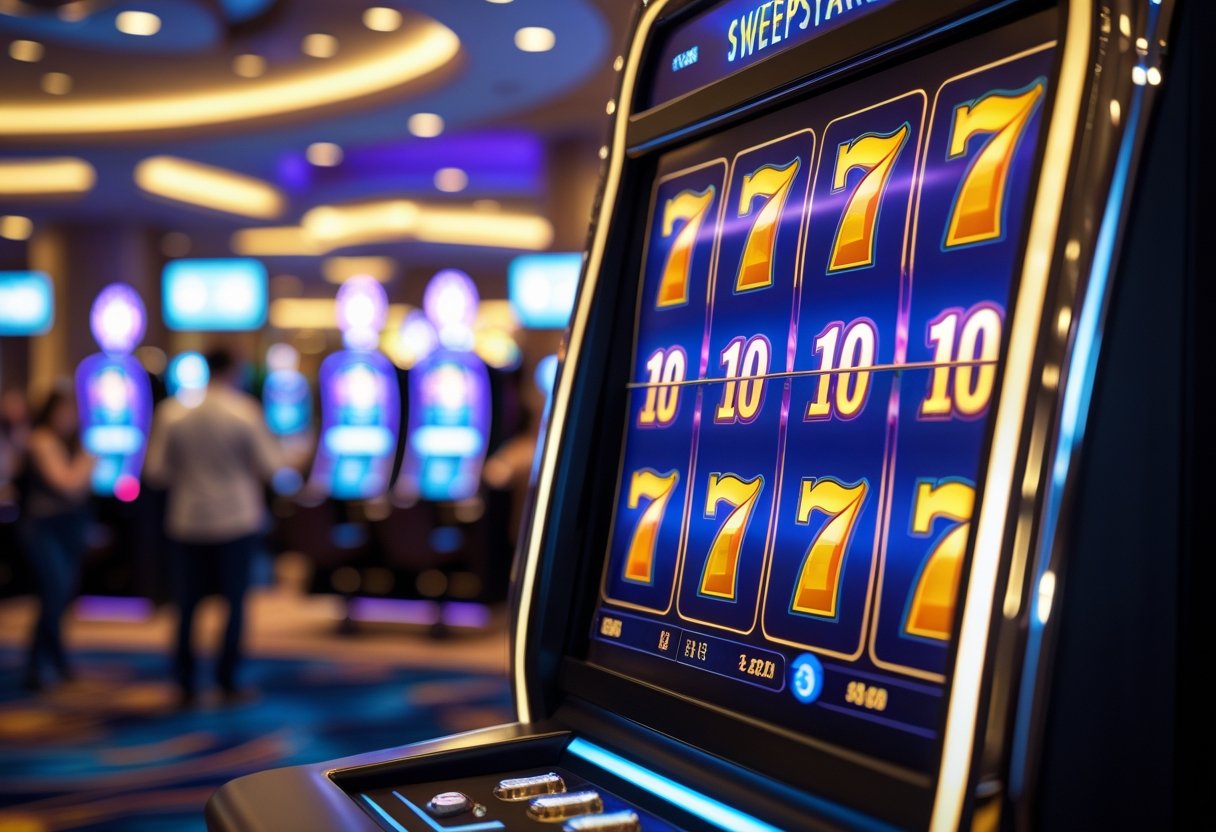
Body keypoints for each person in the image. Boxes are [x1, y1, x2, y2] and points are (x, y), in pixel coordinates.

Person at [145, 349, 281, 705]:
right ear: (234, 369)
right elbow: (272, 467)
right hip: (236, 519)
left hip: (187, 519)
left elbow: (155, 471)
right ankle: (227, 680)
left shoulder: (172, 412)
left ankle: (185, 682)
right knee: (234, 604)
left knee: (187, 606)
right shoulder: (244, 411)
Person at [19, 385, 94, 691]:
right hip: (44, 527)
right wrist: (88, 463)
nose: (69, 417)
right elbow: (67, 484)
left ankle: (56, 661)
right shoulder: (42, 440)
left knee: (62, 596)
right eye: (63, 410)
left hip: (70, 526)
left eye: (73, 411)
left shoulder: (71, 443)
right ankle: (37, 665)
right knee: (54, 592)